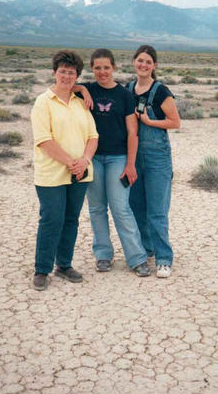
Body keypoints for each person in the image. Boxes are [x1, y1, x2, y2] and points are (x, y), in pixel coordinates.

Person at [77, 49, 150, 276]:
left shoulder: (124, 95)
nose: (102, 72)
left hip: (118, 158)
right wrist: (80, 88)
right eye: (97, 68)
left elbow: (132, 133)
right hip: (93, 157)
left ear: (114, 68)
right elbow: (61, 85)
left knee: (120, 207)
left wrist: (130, 164)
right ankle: (103, 255)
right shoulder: (86, 90)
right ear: (92, 68)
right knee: (97, 207)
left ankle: (137, 258)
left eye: (106, 67)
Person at [30, 50, 99, 291]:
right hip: (51, 173)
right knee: (51, 219)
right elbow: (43, 140)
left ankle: (64, 265)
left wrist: (85, 161)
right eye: (62, 71)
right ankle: (42, 269)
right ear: (54, 72)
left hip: (80, 173)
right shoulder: (43, 102)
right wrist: (72, 162)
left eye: (71, 73)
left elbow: (93, 136)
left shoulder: (81, 104)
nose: (66, 76)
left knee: (71, 220)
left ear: (77, 76)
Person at [127, 45, 181, 278]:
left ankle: (163, 259)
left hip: (157, 157)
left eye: (148, 62)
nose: (143, 65)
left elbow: (175, 122)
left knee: (157, 210)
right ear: (134, 62)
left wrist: (150, 122)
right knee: (137, 206)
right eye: (140, 60)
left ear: (154, 65)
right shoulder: (128, 88)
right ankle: (145, 249)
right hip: (133, 155)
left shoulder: (161, 91)